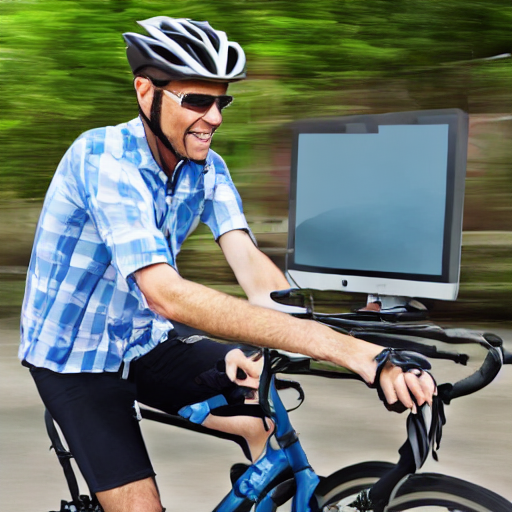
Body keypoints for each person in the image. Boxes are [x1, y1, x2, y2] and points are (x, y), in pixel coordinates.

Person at [19, 17, 435, 512]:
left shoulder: (208, 168)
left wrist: (361, 341)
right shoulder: (103, 160)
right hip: (76, 360)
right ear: (144, 91)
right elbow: (165, 293)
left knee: (266, 415)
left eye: (222, 101)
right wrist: (351, 354)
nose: (214, 117)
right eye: (197, 100)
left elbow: (254, 272)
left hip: (145, 338)